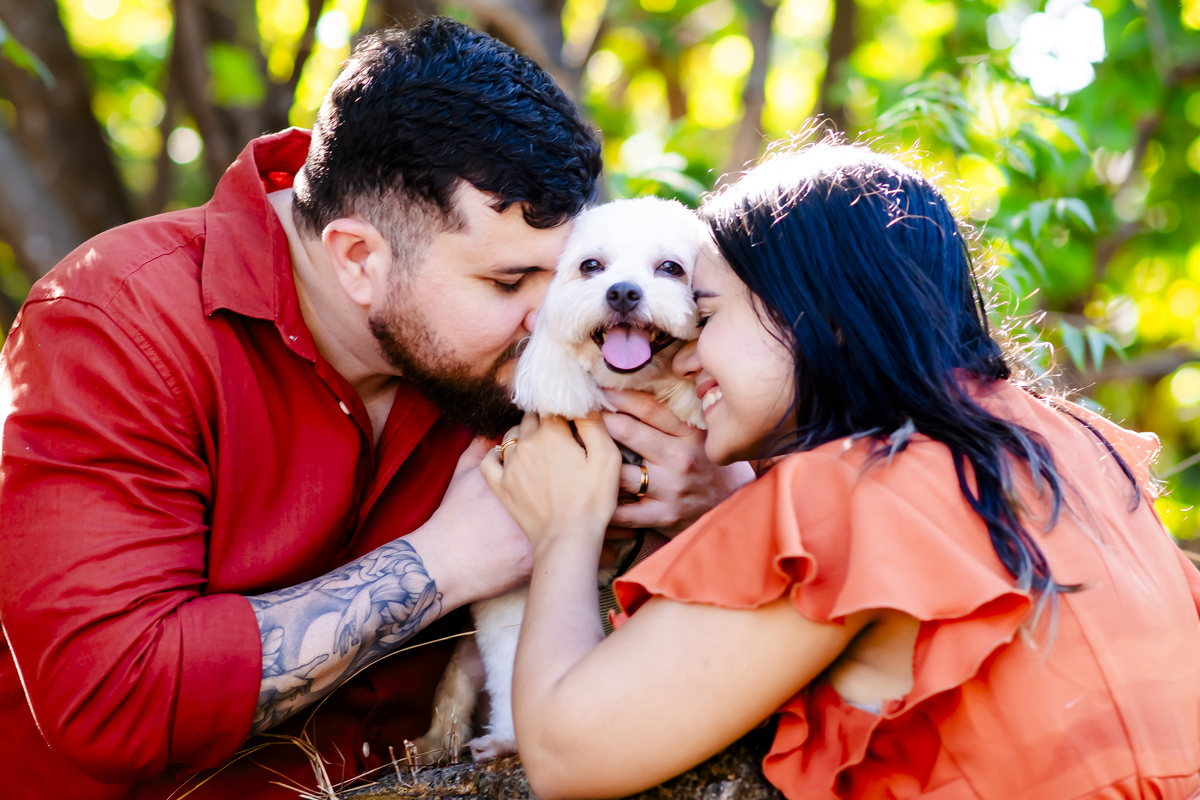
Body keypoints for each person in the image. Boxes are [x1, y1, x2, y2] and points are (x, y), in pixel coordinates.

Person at [0, 19, 750, 800]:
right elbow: (110, 698)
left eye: (557, 275)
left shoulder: (522, 352)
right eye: (505, 284)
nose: (545, 318)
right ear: (359, 258)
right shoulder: (117, 323)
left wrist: (712, 498)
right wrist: (448, 559)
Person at [482, 139, 1200, 800]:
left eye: (709, 314)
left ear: (819, 319)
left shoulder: (849, 491)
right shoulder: (1069, 444)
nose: (691, 353)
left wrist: (564, 528)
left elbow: (565, 755)